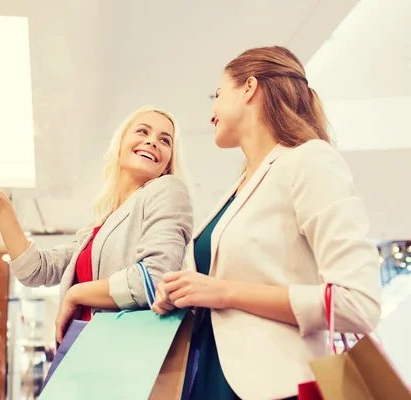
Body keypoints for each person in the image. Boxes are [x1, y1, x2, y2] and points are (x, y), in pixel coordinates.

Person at [152, 46, 381, 400]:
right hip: (209, 374)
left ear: (249, 87)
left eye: (217, 93)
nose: (211, 109)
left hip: (278, 388)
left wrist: (223, 292)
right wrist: (184, 293)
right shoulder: (238, 188)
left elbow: (357, 302)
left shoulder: (309, 160)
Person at [0, 106, 193, 343]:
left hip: (124, 354)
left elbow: (156, 278)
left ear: (167, 163)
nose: (152, 141)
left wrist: (76, 294)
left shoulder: (168, 188)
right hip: (84, 348)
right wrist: (1, 203)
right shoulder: (99, 228)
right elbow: (35, 270)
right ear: (121, 144)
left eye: (164, 140)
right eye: (143, 131)